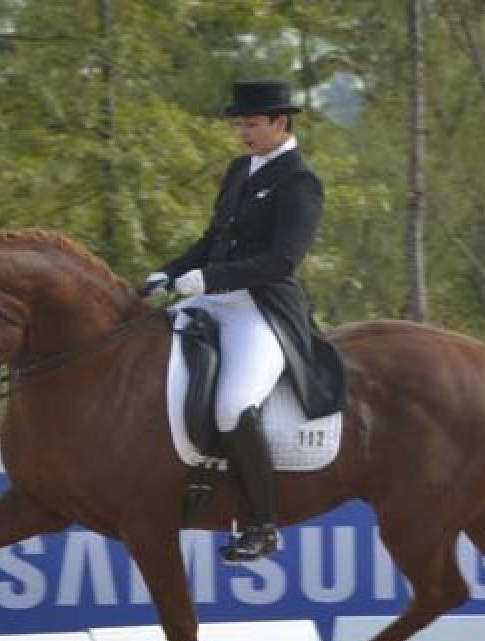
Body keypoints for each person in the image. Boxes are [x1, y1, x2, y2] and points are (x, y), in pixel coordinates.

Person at [139, 79, 344, 563]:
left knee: (234, 404)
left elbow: (282, 261)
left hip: (262, 309)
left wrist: (208, 278)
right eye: (240, 124)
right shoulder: (239, 169)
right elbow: (213, 237)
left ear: (279, 122)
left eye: (252, 124)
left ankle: (263, 523)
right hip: (213, 299)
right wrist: (167, 272)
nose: (243, 133)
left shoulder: (299, 180)